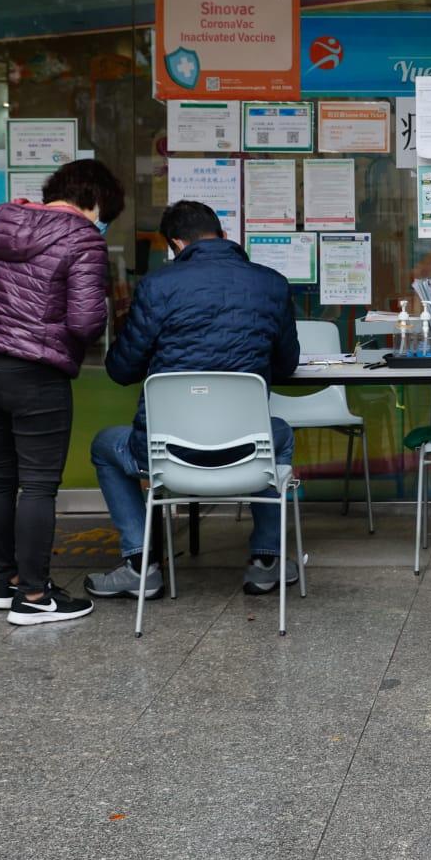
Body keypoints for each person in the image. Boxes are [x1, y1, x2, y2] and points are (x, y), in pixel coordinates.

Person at [82, 200, 302, 601]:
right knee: (280, 435)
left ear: (176, 244)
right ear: (220, 233)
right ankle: (267, 560)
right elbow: (287, 364)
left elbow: (121, 369)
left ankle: (139, 565)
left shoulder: (157, 286)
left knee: (103, 445)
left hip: (168, 455)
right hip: (247, 451)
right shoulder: (271, 283)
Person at [0, 159, 120, 626]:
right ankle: (34, 597)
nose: (102, 221)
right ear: (92, 200)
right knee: (37, 484)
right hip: (35, 372)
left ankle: (6, 581)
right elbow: (85, 321)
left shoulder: (1, 220)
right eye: (104, 212)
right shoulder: (83, 238)